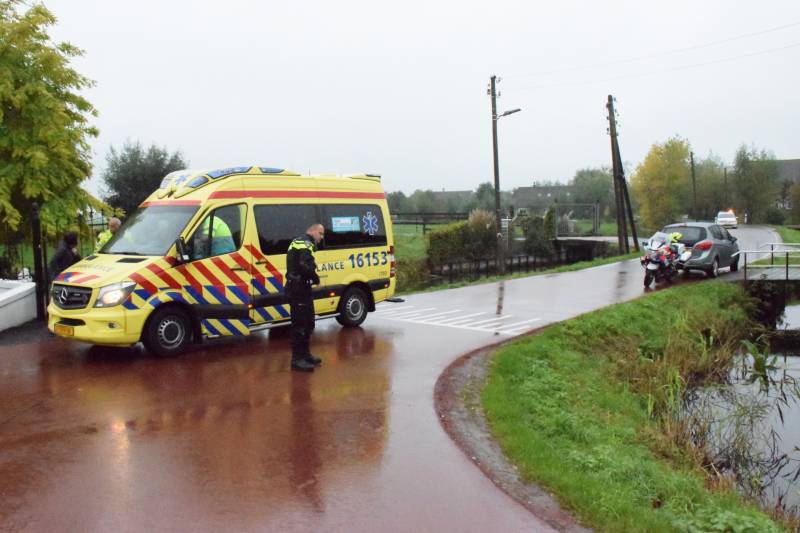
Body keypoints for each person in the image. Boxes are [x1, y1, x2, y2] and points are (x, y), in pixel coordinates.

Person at [286, 223, 324, 372]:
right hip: (298, 289)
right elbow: (305, 265)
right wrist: (316, 278)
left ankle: (306, 355)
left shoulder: (301, 242)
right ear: (312, 231)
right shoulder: (305, 243)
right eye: (320, 233)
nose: (321, 238)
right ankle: (297, 360)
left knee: (309, 323)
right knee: (300, 325)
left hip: (303, 288)